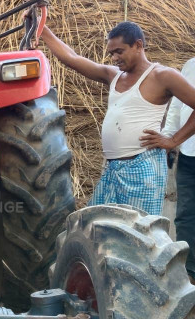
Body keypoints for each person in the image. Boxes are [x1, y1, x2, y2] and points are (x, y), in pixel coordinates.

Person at [37, 21, 195, 214]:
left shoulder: (162, 76)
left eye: (119, 51)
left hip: (143, 168)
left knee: (138, 234)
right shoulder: (114, 75)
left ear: (138, 45)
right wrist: (42, 30)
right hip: (113, 169)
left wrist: (173, 141)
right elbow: (72, 58)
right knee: (95, 226)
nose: (114, 58)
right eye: (111, 53)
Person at [140, 58, 195, 280]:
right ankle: (189, 274)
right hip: (190, 153)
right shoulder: (191, 65)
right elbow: (178, 107)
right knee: (186, 217)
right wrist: (169, 139)